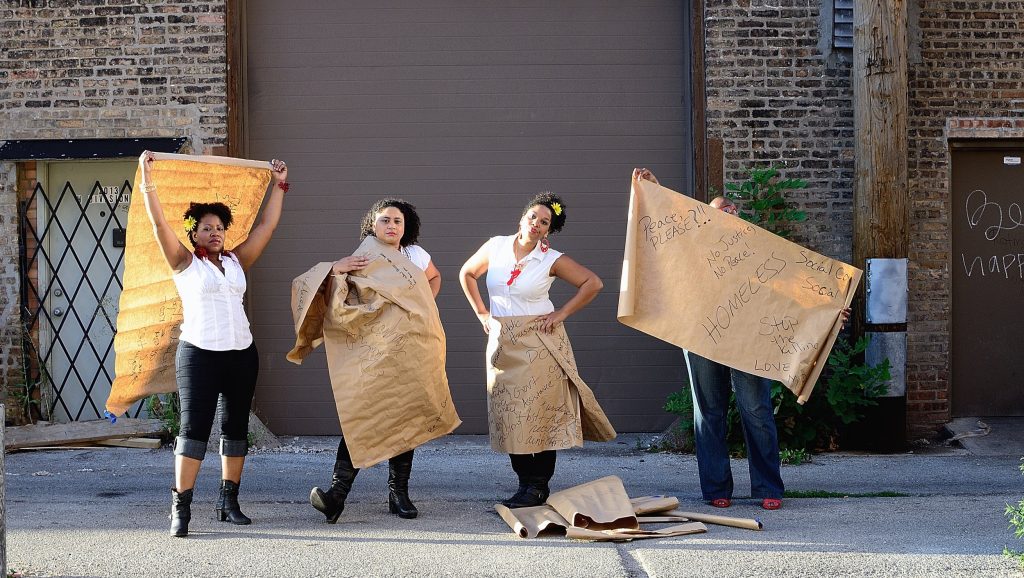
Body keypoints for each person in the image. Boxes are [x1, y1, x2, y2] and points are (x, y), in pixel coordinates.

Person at [634, 168, 849, 511]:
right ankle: (716, 487)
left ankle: (768, 487)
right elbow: (666, 232)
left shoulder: (759, 252)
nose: (730, 213)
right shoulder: (693, 248)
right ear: (706, 216)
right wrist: (653, 189)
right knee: (709, 412)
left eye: (734, 210)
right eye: (721, 210)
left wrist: (830, 310)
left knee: (757, 410)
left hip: (750, 341)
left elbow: (794, 293)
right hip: (701, 337)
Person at [138, 150, 288, 537]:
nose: (215, 232)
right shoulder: (184, 263)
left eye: (220, 226)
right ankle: (181, 508)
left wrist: (280, 185)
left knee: (236, 427)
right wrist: (147, 179)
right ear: (194, 232)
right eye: (207, 227)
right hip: (199, 354)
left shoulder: (237, 261)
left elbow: (266, 228)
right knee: (193, 429)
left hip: (241, 353)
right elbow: (157, 226)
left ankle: (228, 501)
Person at [459, 192, 614, 508]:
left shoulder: (551, 259)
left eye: (544, 222)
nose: (537, 223)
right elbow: (467, 273)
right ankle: (523, 483)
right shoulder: (496, 246)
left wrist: (561, 313)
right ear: (522, 218)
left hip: (539, 341)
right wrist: (481, 313)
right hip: (503, 340)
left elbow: (593, 283)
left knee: (539, 413)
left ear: (548, 230)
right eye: (533, 216)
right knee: (510, 414)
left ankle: (538, 486)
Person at [309, 199, 442, 523]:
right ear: (373, 225)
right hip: (374, 348)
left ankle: (399, 494)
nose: (392, 225)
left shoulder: (415, 256)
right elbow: (342, 299)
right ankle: (336, 495)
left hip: (410, 347)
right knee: (362, 415)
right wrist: (335, 269)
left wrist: (419, 306)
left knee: (404, 416)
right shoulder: (364, 256)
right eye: (385, 220)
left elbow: (435, 279)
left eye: (397, 220)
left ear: (406, 226)